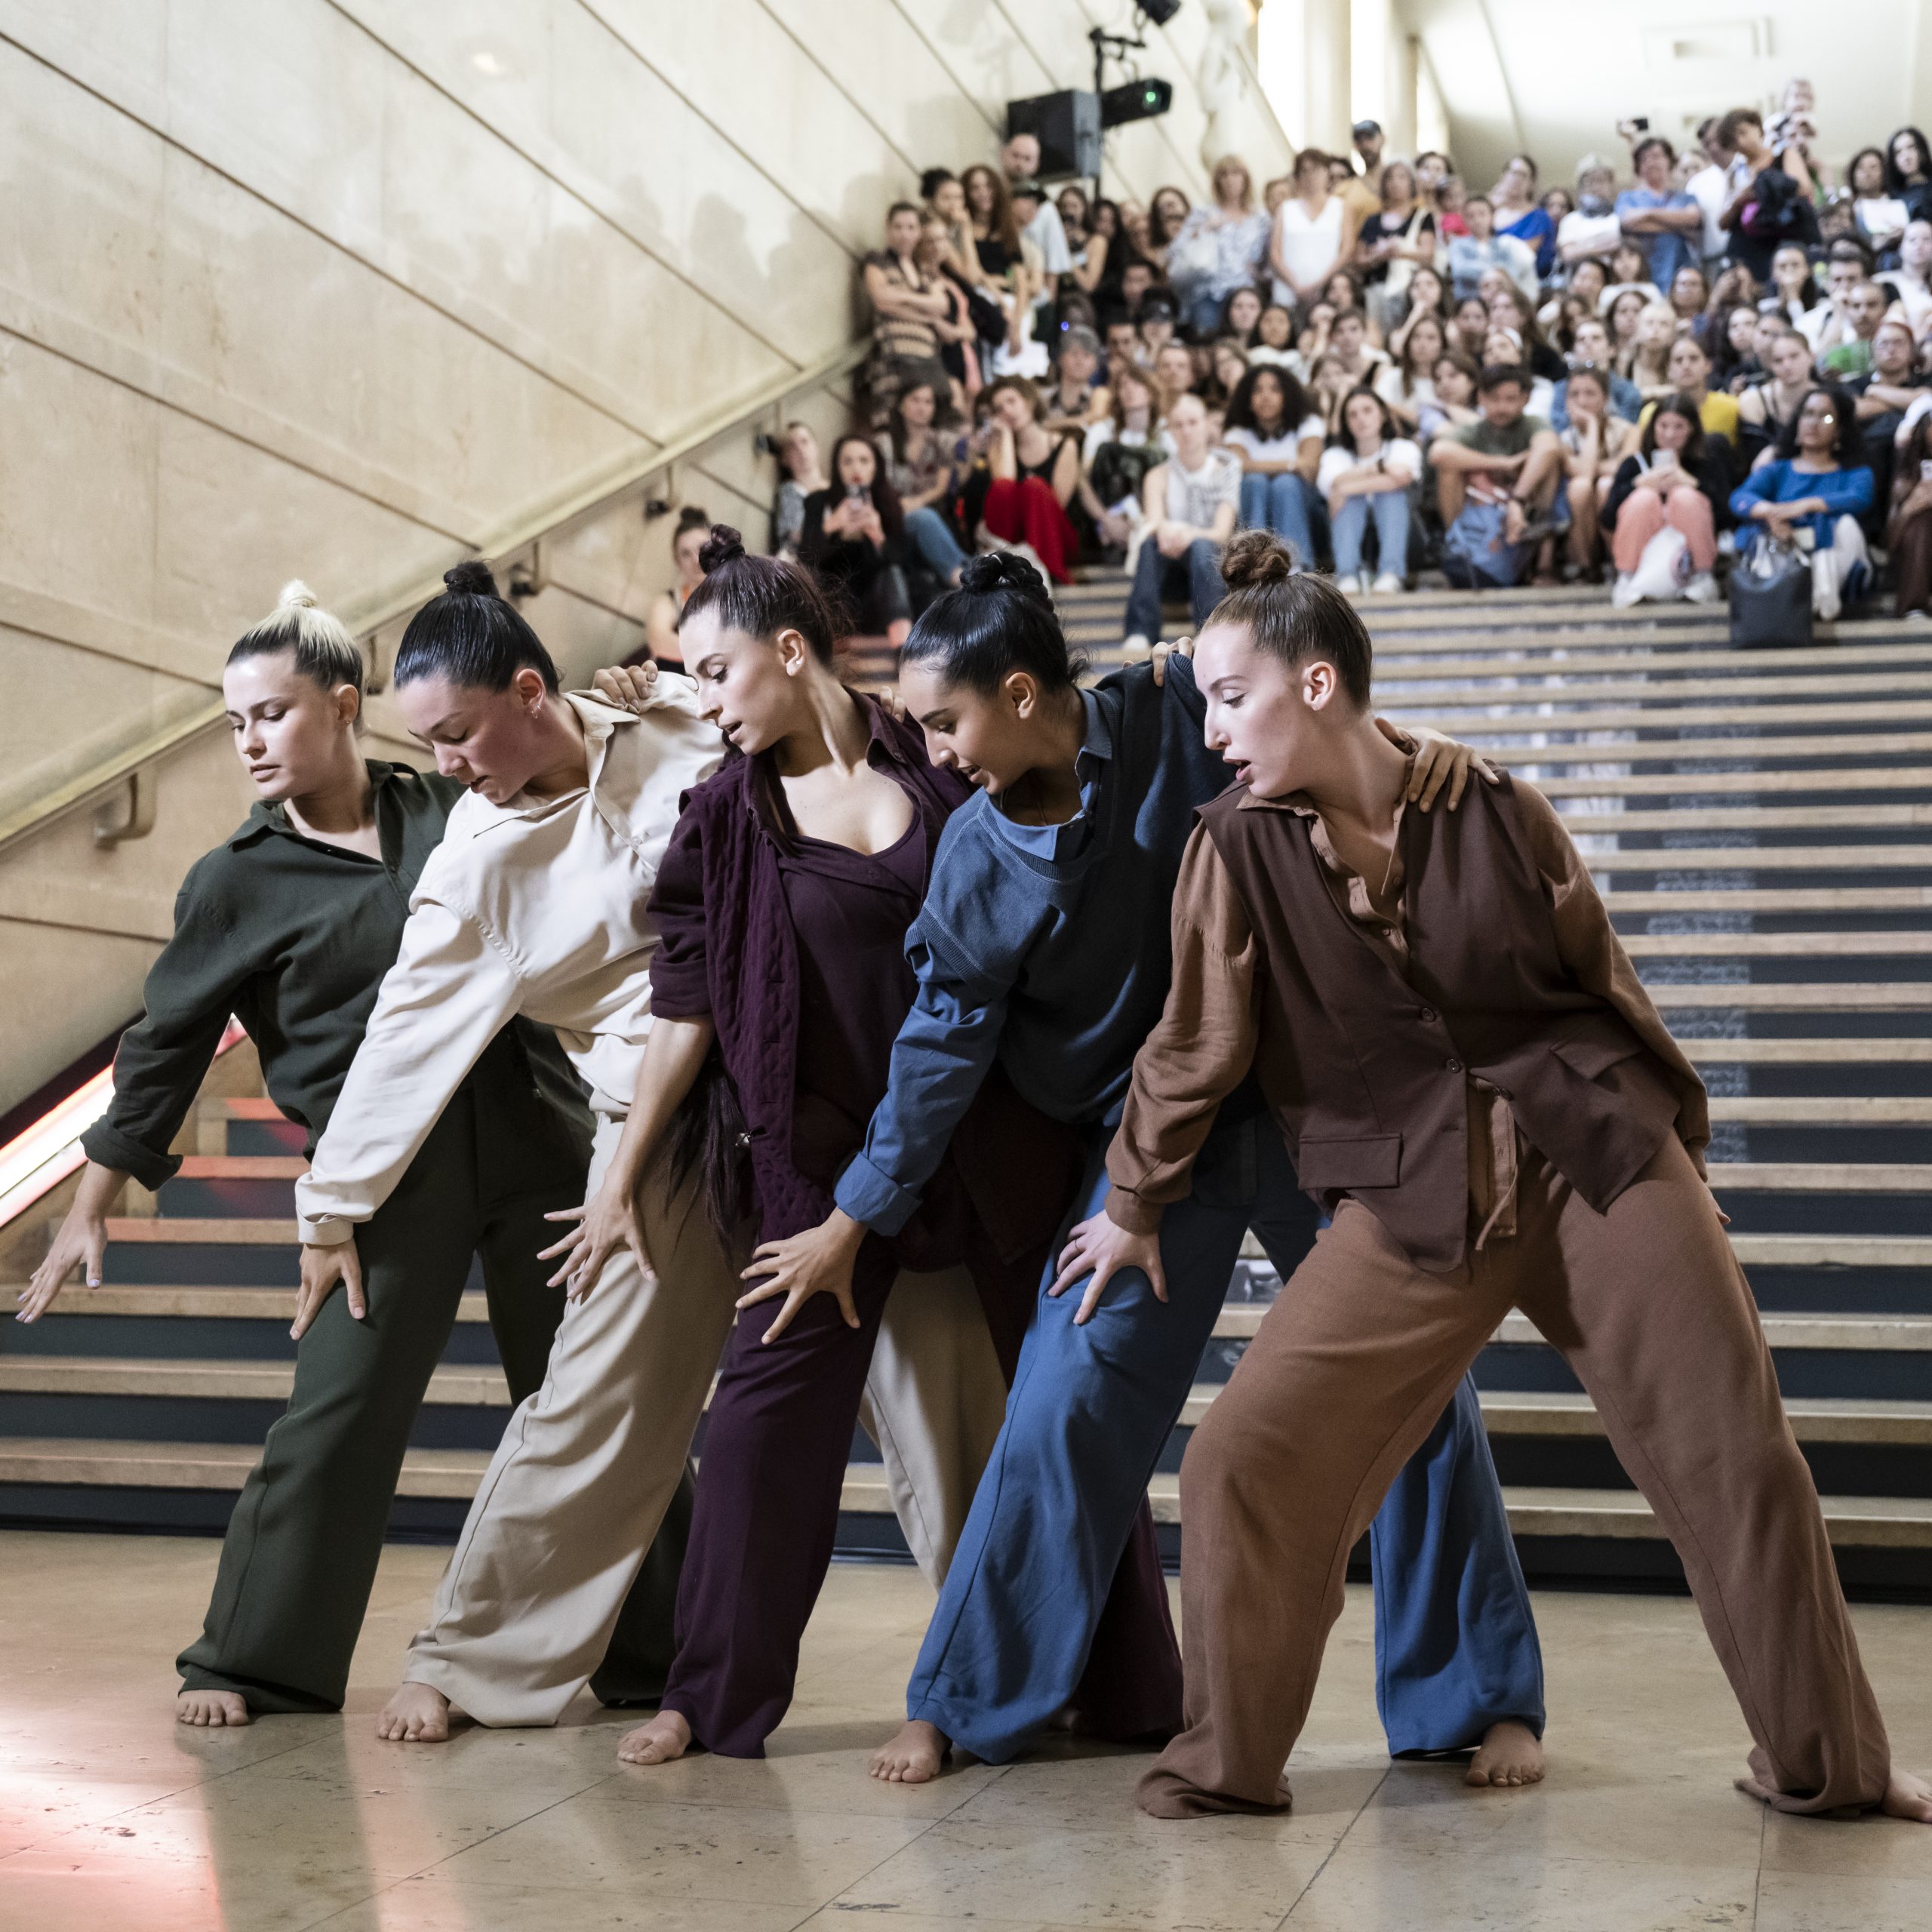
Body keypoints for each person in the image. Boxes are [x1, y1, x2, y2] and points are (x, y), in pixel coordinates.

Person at [1084, 537, 1932, 1832]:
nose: (1209, 729)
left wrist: (1674, 1159)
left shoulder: (1492, 805)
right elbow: (1194, 1042)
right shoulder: (1232, 850)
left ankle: (1835, 1769)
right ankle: (1224, 1766)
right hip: (1410, 1196)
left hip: (1592, 1157)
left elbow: (1601, 982)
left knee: (1738, 1457)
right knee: (1241, 1460)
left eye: (1229, 694)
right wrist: (1131, 1203)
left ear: (1318, 684)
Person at [743, 557, 1545, 1793]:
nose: (936, 752)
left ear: (1022, 693)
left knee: (1420, 1391)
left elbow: (1310, 712)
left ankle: (1477, 1700)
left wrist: (1418, 752)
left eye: (948, 721)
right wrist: (860, 1210)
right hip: (1142, 1157)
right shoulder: (971, 855)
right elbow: (939, 1047)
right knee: (1065, 1397)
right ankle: (965, 1702)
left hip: (1304, 1102)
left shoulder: (1178, 710)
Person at [298, 566, 1002, 1746]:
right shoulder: (473, 871)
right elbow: (399, 1043)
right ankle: (474, 1658)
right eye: (430, 746)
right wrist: (332, 1207)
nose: (449, 766)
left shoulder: (682, 712)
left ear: (534, 691)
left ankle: (1018, 1664)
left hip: (843, 1111)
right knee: (598, 1399)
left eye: (460, 734)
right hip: (658, 1129)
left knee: (946, 1395)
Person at [568, 535, 1177, 1768]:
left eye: (717, 671)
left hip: (989, 1135)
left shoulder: (947, 758)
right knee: (755, 1427)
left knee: (1057, 1409)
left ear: (789, 653)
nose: (705, 699)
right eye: (689, 677)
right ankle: (708, 1695)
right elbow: (682, 1013)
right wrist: (620, 1177)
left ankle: (1119, 1686)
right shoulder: (718, 820)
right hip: (814, 1163)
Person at [14, 586, 664, 1727]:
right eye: (234, 724)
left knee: (591, 1397)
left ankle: (661, 1653)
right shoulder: (236, 879)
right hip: (380, 1181)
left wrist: (623, 696)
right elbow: (164, 1044)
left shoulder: (452, 802)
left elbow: (579, 799)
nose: (252, 741)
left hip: (535, 1133)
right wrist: (93, 1199)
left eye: (273, 713)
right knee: (339, 1416)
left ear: (346, 706)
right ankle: (253, 1660)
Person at [1730, 386, 1876, 620]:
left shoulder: (1855, 472)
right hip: (1785, 550)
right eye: (1807, 414)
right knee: (1761, 532)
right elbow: (1739, 498)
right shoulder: (1778, 469)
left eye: (1826, 417)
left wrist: (1807, 505)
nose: (1814, 423)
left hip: (1837, 561)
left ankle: (1820, 600)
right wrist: (1771, 513)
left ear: (1840, 430)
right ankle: (1790, 602)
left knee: (1843, 524)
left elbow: (1859, 499)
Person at [1122, 392, 1240, 649]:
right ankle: (1141, 631)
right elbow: (1155, 523)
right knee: (1149, 545)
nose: (1186, 431)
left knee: (1200, 545)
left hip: (1212, 570)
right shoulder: (1157, 475)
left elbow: (1222, 533)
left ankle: (1210, 628)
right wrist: (1172, 534)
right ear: (1170, 431)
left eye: (1193, 423)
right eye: (1178, 425)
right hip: (1170, 568)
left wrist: (1188, 534)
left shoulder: (1225, 472)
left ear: (1207, 425)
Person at [1433, 365, 1564, 589]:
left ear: (1525, 398)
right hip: (1481, 516)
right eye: (1495, 398)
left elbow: (1549, 447)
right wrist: (1503, 463)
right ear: (1481, 398)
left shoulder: (1532, 424)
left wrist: (1517, 501)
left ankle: (1545, 565)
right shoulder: (1476, 430)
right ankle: (1460, 548)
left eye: (1510, 399)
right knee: (1449, 469)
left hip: (1525, 517)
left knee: (1550, 462)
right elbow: (1439, 453)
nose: (1502, 407)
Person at [1604, 393, 1728, 605]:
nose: (1670, 434)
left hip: (1691, 557)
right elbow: (1607, 518)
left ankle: (1701, 578)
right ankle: (1628, 578)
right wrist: (1639, 484)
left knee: (1684, 497)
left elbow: (1727, 516)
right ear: (1653, 427)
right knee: (1643, 498)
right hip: (1644, 558)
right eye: (1663, 426)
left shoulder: (1707, 461)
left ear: (1691, 428)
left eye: (1679, 426)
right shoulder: (1634, 464)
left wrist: (1691, 483)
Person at [800, 435, 914, 641]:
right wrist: (830, 526)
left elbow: (904, 562)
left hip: (875, 601)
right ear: (837, 467)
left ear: (876, 467)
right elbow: (806, 559)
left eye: (864, 461)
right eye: (848, 461)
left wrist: (877, 534)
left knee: (893, 573)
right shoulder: (818, 502)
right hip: (832, 598)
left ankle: (903, 650)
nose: (856, 469)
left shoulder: (887, 503)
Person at [863, 203, 958, 432]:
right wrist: (928, 316)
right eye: (898, 227)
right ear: (888, 229)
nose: (904, 233)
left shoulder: (922, 270)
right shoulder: (878, 260)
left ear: (918, 232)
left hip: (928, 356)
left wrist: (903, 298)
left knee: (940, 422)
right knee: (892, 423)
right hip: (895, 355)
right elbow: (881, 299)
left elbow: (942, 305)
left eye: (910, 227)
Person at [979, 376, 1081, 585]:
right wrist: (1006, 437)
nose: (1007, 411)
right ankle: (1007, 567)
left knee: (1034, 486)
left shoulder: (1064, 445)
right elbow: (1003, 487)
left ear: (1029, 401)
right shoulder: (997, 445)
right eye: (999, 408)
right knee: (1002, 488)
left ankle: (1043, 572)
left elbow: (1057, 505)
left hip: (1052, 535)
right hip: (1013, 537)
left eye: (1011, 401)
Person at [1318, 386, 1419, 592]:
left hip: (1408, 537)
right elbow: (1332, 482)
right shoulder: (1335, 454)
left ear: (1382, 415)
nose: (1360, 419)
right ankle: (1347, 576)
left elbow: (1399, 479)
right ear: (1346, 423)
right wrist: (1381, 471)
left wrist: (1347, 488)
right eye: (1352, 415)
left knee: (1390, 494)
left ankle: (1391, 574)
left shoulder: (1403, 447)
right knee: (1353, 500)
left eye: (1367, 410)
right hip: (1348, 531)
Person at [1222, 365, 1326, 565]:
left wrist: (1258, 465)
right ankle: (1256, 562)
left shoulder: (1308, 422)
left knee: (1285, 484)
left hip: (1307, 510)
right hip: (1253, 503)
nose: (1266, 397)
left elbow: (1310, 469)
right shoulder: (1237, 431)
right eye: (1257, 390)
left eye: (1275, 389)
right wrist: (1291, 464)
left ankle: (1295, 565)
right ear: (1248, 400)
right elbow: (1239, 466)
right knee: (1254, 482)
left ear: (1288, 395)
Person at [1165, 155, 1270, 338]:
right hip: (1210, 293)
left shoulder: (1260, 219)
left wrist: (1260, 274)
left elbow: (1271, 255)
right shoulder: (1204, 213)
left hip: (1245, 294)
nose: (1230, 180)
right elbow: (1176, 249)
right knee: (1208, 343)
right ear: (1217, 181)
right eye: (1224, 175)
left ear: (1246, 180)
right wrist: (1204, 229)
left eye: (1236, 174)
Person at [882, 381, 970, 591]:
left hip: (931, 512)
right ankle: (964, 576)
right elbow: (879, 484)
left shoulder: (943, 440)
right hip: (891, 513)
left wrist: (915, 502)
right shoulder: (885, 442)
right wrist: (897, 506)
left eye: (928, 402)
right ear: (901, 406)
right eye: (915, 400)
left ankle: (963, 574)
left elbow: (941, 487)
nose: (922, 407)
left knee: (924, 517)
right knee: (922, 518)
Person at [1720, 106, 1819, 284]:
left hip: (1784, 238)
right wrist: (1739, 200)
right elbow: (1722, 222)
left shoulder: (1784, 155)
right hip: (1748, 246)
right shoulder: (1735, 173)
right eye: (1733, 140)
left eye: (1743, 133)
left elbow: (1804, 189)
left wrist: (1763, 186)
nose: (1741, 142)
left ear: (1758, 128)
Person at [1558, 365, 1636, 577]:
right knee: (1580, 487)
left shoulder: (1627, 430)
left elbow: (1624, 469)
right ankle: (1587, 566)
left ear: (1605, 398)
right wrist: (1592, 426)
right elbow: (1584, 474)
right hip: (1579, 525)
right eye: (1575, 395)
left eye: (1590, 393)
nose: (1582, 402)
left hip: (1620, 507)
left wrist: (1592, 468)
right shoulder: (1563, 440)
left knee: (1605, 486)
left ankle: (1619, 563)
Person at [1355, 160, 1435, 337]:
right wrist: (1378, 257)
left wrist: (1398, 252)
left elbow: (1427, 254)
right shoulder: (1372, 221)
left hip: (1408, 291)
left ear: (1412, 183)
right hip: (1376, 291)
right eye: (1389, 178)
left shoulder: (1422, 217)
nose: (1395, 182)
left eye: (1402, 177)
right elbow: (1359, 259)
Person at [1269, 149, 1355, 311]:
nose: (1310, 176)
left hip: (1327, 291)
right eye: (1304, 171)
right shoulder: (1286, 208)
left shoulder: (1341, 207)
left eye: (1315, 169)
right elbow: (1275, 252)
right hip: (1289, 292)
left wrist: (1320, 284)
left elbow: (1347, 249)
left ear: (1327, 173)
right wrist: (1295, 285)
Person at [1616, 137, 1702, 291]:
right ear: (1638, 167)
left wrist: (1646, 215)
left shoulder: (1686, 197)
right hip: (1641, 277)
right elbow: (1627, 222)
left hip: (1679, 274)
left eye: (1656, 156)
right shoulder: (1627, 197)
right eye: (1644, 159)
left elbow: (1692, 219)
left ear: (1669, 161)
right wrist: (1677, 225)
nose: (1650, 162)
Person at [1001, 131, 1072, 301]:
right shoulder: (992, 198)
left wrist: (1049, 305)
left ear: (1036, 164)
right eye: (1016, 156)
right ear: (1003, 154)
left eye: (1027, 159)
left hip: (1034, 293)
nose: (1020, 164)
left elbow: (1053, 263)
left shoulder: (1045, 208)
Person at [1636, 334, 1741, 448]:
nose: (1686, 365)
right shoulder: (1651, 414)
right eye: (1678, 360)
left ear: (1708, 365)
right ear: (1669, 370)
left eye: (1693, 359)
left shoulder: (1732, 408)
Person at [1737, 325, 1818, 471]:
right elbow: (1756, 462)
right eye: (1778, 361)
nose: (1787, 365)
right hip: (1772, 476)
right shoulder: (1753, 401)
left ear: (1811, 357)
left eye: (1794, 356)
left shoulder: (1828, 397)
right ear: (1770, 366)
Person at [1549, 315, 1642, 430]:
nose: (1588, 343)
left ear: (1611, 349)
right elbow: (1559, 430)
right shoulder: (1561, 389)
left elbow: (1625, 432)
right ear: (1574, 351)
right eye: (1581, 339)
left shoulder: (1628, 391)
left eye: (1596, 338)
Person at [645, 508, 708, 669]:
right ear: (677, 562)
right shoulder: (668, 601)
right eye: (686, 554)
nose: (696, 559)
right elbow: (659, 641)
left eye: (703, 547)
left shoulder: (737, 597)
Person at [1887, 409, 1932, 618]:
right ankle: (1913, 604)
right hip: (1918, 551)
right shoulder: (1906, 478)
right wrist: (1909, 507)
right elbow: (1891, 542)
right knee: (1919, 522)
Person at [1446, 195, 1534, 302]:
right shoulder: (1458, 244)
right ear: (1464, 220)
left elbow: (1512, 273)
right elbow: (1460, 270)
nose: (1477, 220)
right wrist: (1497, 272)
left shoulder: (1504, 244)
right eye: (1471, 216)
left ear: (1492, 217)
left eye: (1482, 214)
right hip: (1469, 301)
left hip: (1499, 302)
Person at [1489, 155, 1556, 279]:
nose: (1517, 179)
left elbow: (1523, 257)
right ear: (1503, 176)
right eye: (1514, 173)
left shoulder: (1539, 218)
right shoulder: (1489, 211)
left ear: (1531, 183)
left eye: (1523, 175)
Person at [1376, 312, 1445, 432]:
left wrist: (1391, 407)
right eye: (1416, 337)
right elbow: (1375, 406)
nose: (1422, 344)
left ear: (1442, 344)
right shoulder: (1392, 377)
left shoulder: (1448, 381)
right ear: (1408, 343)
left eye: (1431, 338)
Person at [1040, 324, 1110, 440]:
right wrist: (1076, 423)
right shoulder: (1043, 397)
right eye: (1074, 354)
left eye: (1087, 355)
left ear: (1096, 363)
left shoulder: (1099, 395)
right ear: (1061, 358)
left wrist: (1052, 425)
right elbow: (1035, 426)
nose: (1080, 361)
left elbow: (1096, 417)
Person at [1557, 158, 1624, 275]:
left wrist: (1584, 247)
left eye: (1601, 180)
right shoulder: (1571, 220)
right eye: (1590, 181)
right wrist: (1604, 247)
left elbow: (1621, 247)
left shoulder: (1620, 218)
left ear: (1611, 185)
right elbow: (1568, 254)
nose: (1596, 186)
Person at [772, 422, 827, 559]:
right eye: (792, 447)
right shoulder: (790, 491)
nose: (801, 450)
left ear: (816, 446)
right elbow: (793, 539)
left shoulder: (836, 489)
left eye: (805, 442)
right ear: (784, 458)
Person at [1820, 281, 1890, 381]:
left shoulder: (1895, 342)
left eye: (1871, 305)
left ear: (1885, 309)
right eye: (1856, 306)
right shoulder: (1839, 344)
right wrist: (1838, 314)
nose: (1863, 312)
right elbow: (1818, 360)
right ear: (1847, 310)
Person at [1847, 146, 1909, 263]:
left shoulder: (1899, 203)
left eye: (1873, 167)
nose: (1867, 173)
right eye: (1861, 168)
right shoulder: (1848, 209)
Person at [1878, 217, 1932, 333]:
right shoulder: (1884, 281)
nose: (1919, 245)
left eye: (1926, 239)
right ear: (1900, 247)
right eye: (1912, 240)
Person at [1886, 127, 1932, 223]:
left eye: (1911, 147)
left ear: (1922, 150)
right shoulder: (1891, 194)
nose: (1906, 156)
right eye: (1898, 152)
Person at [1246, 300, 1298, 369]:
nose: (1274, 327)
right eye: (1268, 321)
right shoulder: (1248, 358)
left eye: (1281, 321)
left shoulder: (1299, 359)